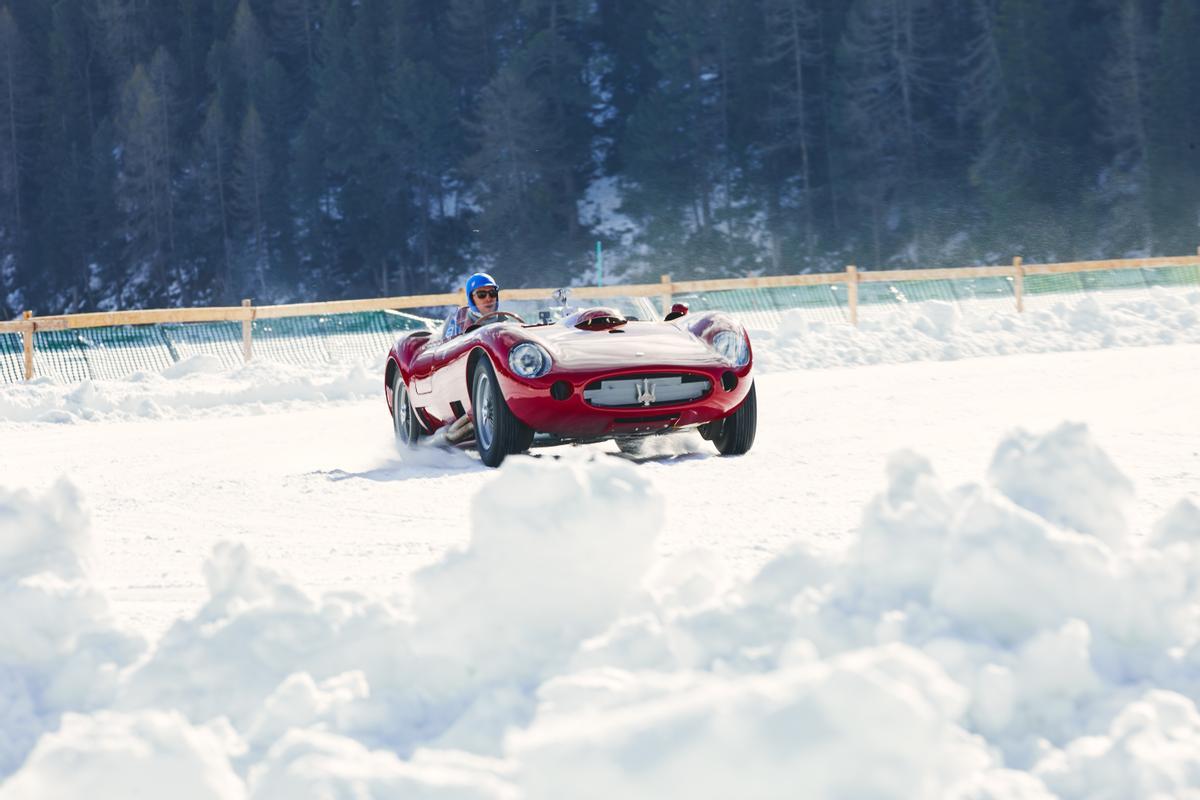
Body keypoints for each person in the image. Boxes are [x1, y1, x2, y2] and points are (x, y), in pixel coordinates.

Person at [443, 272, 499, 338]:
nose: (488, 298)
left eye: (492, 293)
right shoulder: (458, 321)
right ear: (471, 298)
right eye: (481, 294)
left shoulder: (507, 321)